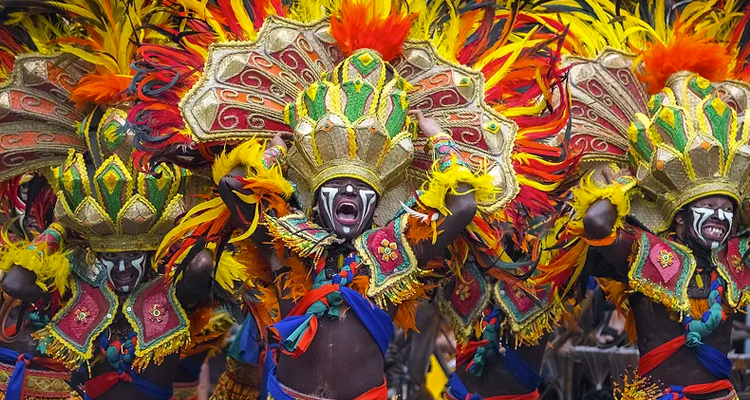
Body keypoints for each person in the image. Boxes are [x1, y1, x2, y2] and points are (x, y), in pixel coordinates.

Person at [552, 1, 750, 397]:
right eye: (708, 207)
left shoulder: (737, 259)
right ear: (677, 218)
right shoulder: (646, 251)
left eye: (728, 209)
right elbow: (595, 225)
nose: (719, 216)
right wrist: (622, 180)